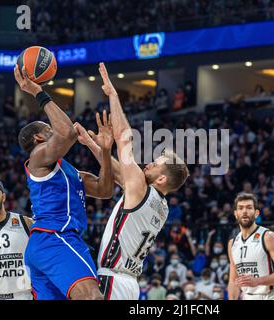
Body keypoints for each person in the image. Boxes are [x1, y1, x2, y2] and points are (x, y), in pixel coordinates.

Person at [84, 63, 189, 300]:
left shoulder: (142, 190)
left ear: (161, 178)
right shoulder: (161, 206)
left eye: (155, 163)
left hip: (112, 279)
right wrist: (94, 146)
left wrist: (112, 94)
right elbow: (119, 174)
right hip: (130, 285)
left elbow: (124, 138)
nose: (149, 164)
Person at [13, 65, 114, 300]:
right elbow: (67, 132)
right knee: (93, 297)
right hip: (56, 236)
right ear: (39, 137)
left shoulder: (68, 171)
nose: (54, 130)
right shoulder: (37, 157)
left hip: (48, 244)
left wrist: (106, 150)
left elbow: (104, 189)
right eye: (49, 129)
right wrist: (39, 92)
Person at [228, 193, 274, 300]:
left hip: (271, 296)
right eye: (241, 208)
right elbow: (233, 281)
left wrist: (258, 281)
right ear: (236, 214)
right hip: (247, 297)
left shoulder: (268, 237)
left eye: (249, 208)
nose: (244, 211)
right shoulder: (232, 243)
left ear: (256, 213)